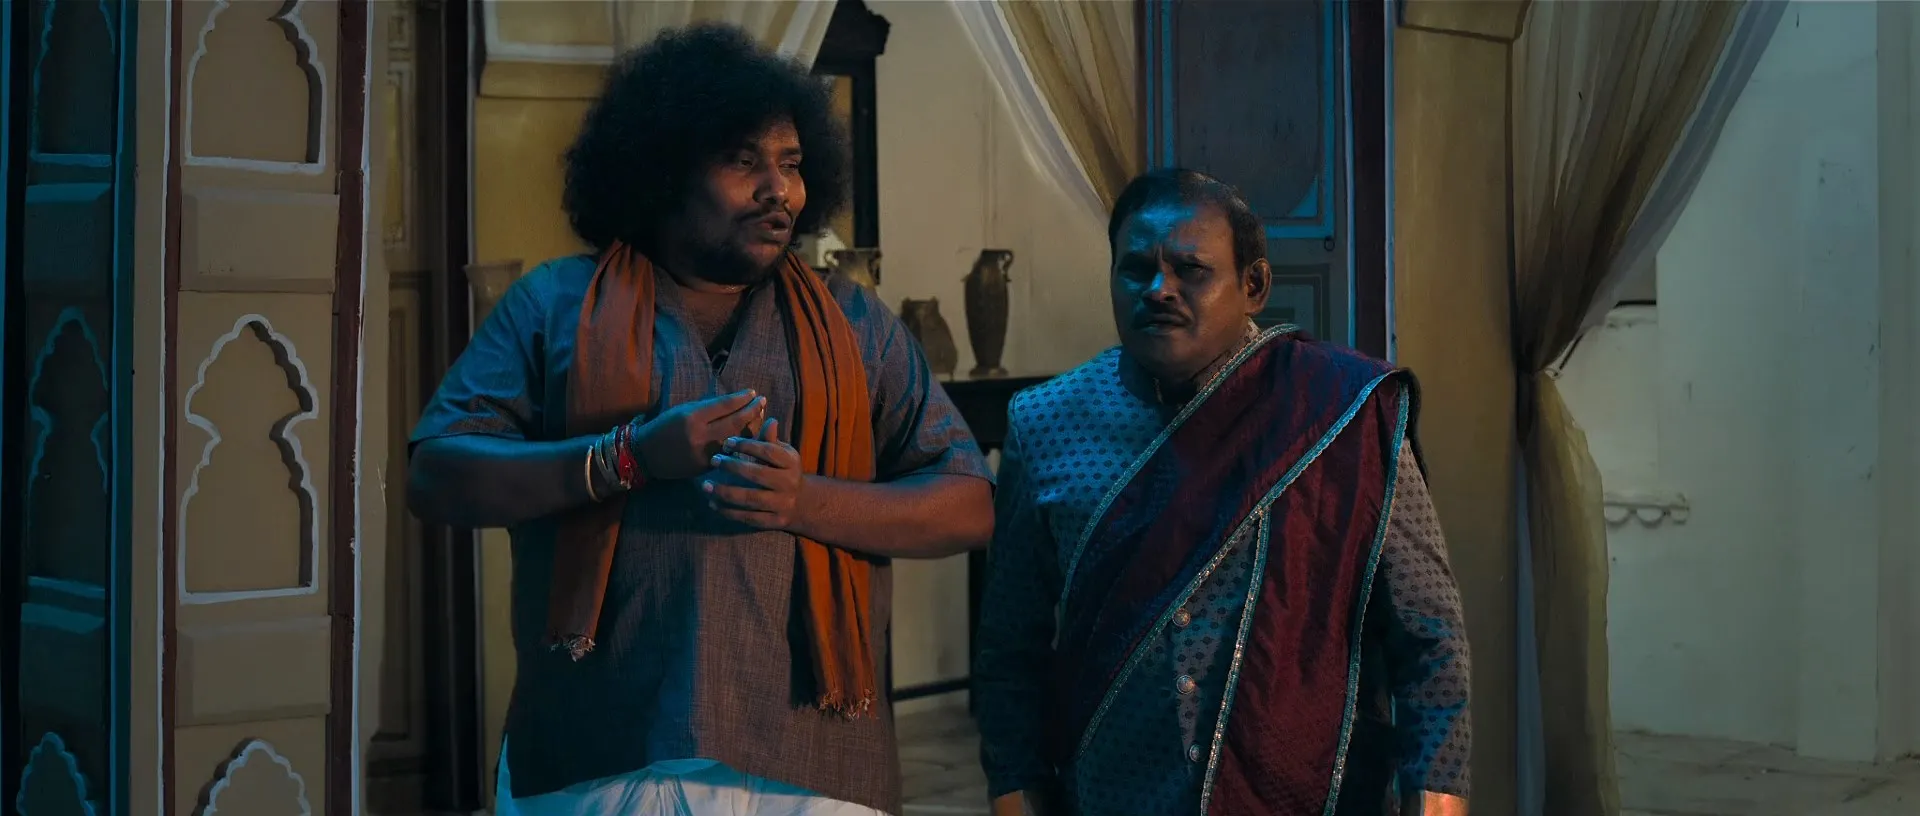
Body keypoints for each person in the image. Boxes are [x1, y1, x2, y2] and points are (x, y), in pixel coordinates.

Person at [407, 23, 995, 816]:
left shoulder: (853, 320)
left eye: (791, 164)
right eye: (743, 161)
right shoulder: (554, 303)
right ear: (662, 171)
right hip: (605, 756)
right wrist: (626, 459)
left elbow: (968, 503)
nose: (778, 190)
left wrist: (802, 501)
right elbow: (437, 476)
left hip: (815, 762)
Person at [972, 169, 1472, 816]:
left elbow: (1429, 637)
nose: (1159, 289)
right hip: (1112, 796)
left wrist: (1436, 800)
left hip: (1312, 798)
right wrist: (1015, 794)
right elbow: (1009, 650)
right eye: (1135, 270)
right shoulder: (1045, 423)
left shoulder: (1341, 413)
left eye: (1191, 270)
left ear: (1254, 286)